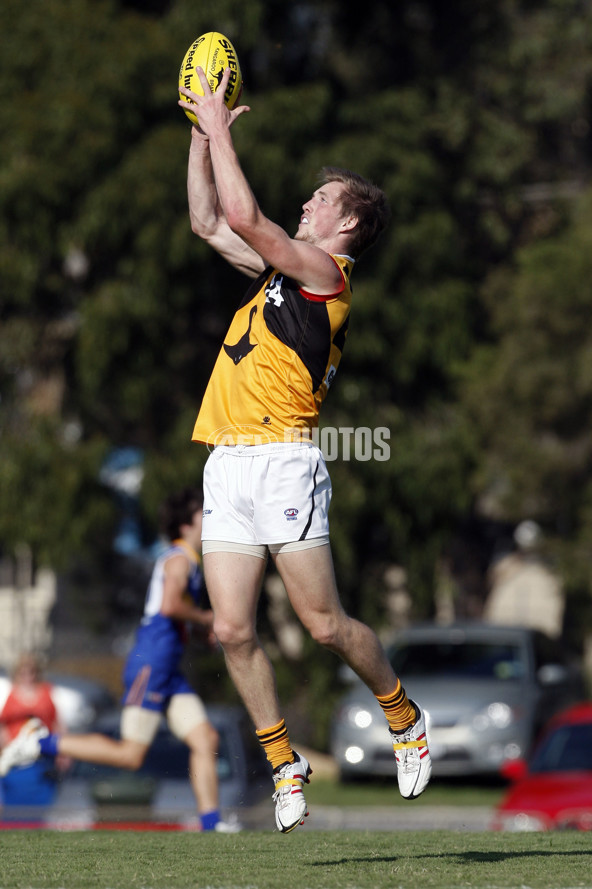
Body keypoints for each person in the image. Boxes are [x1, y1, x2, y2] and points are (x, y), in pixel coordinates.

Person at [175, 67, 432, 834]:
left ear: (346, 226)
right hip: (228, 462)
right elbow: (209, 222)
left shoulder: (325, 275)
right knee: (230, 629)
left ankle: (402, 713)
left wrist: (224, 128)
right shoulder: (277, 277)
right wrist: (199, 136)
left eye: (322, 201)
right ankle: (284, 760)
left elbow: (249, 217)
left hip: (284, 460)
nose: (308, 203)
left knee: (323, 625)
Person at [0, 488, 239, 833]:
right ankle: (40, 743)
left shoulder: (187, 560)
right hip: (151, 664)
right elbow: (170, 606)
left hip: (168, 670)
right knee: (130, 755)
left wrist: (202, 632)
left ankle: (211, 824)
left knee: (205, 739)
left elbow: (174, 612)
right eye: (205, 513)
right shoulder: (179, 559)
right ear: (187, 522)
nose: (211, 518)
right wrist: (207, 620)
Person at [0, 653, 67, 808]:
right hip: (16, 758)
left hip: (42, 756)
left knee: (42, 804)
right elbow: (2, 725)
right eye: (23, 672)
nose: (28, 676)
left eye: (32, 671)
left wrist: (63, 751)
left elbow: (57, 722)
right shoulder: (8, 692)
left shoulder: (47, 691)